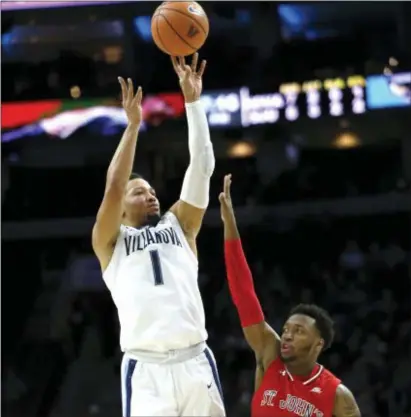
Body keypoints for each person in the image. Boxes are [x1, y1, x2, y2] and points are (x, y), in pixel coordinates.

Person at [92, 54, 225, 417]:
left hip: (195, 360)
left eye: (152, 190)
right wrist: (132, 127)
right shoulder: (109, 242)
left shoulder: (179, 225)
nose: (151, 195)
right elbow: (115, 185)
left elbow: (202, 165)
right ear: (121, 208)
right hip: (145, 369)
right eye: (140, 192)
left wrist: (193, 103)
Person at [219, 174, 361, 417]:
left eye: (299, 331)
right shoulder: (270, 354)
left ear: (319, 344)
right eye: (287, 328)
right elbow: (244, 294)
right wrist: (229, 222)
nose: (287, 335)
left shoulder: (338, 396)